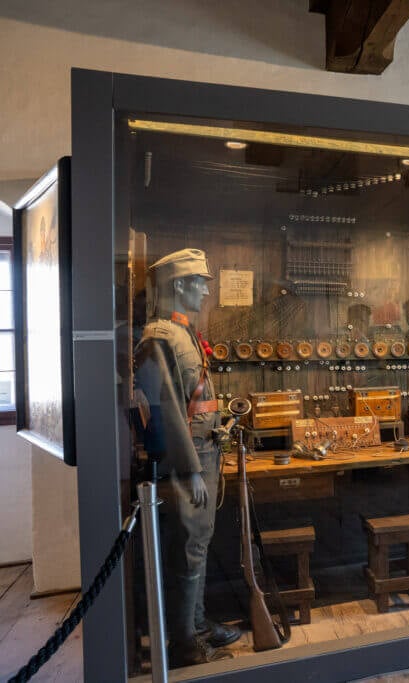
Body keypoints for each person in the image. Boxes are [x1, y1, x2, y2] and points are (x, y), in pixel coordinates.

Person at [134, 248, 240, 667]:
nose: (205, 292)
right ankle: (185, 643)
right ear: (180, 285)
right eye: (200, 283)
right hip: (188, 462)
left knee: (197, 543)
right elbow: (162, 411)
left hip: (203, 455)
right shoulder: (160, 337)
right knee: (185, 550)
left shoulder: (183, 333)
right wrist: (190, 468)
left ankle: (195, 623)